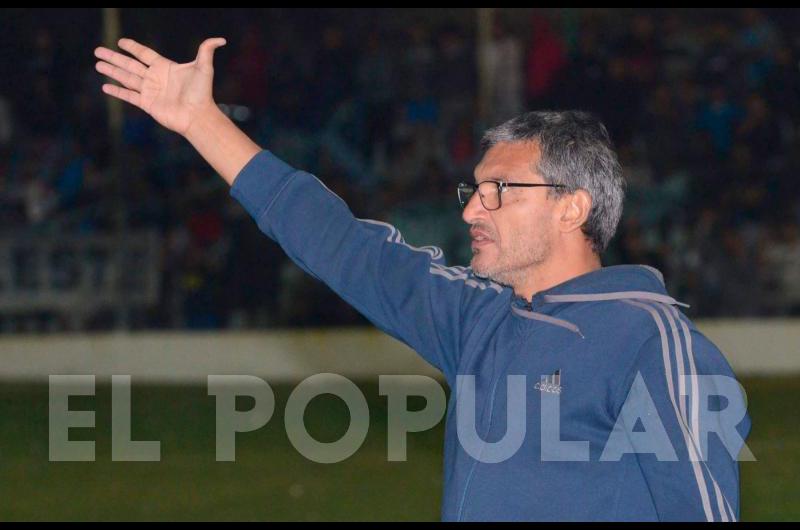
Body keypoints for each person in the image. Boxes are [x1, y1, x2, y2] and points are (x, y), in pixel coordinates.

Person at [94, 37, 751, 522]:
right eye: (473, 189)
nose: (470, 208)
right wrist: (202, 122)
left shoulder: (650, 339)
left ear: (571, 206)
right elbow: (342, 244)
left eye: (498, 190)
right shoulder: (478, 319)